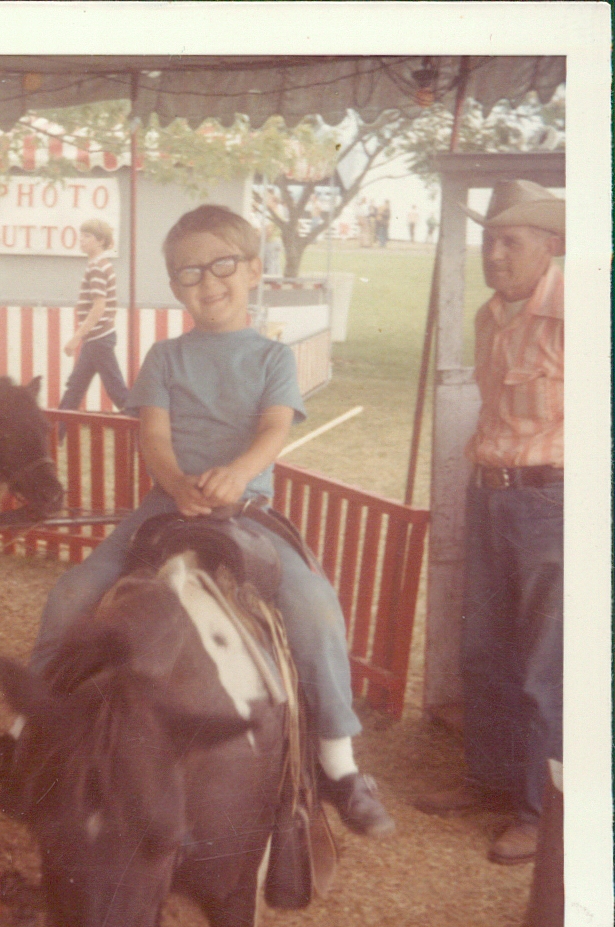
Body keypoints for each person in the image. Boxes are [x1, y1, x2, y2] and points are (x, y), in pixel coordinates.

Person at [29, 204, 395, 838]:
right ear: (176, 286)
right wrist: (175, 484)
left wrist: (237, 473)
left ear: (253, 270)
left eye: (222, 265)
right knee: (72, 591)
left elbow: (274, 428)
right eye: (188, 272)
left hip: (246, 509)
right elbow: (154, 436)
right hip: (165, 506)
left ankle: (340, 761)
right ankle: (28, 727)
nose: (207, 282)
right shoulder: (165, 356)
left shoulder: (273, 358)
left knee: (313, 606)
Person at [414, 181, 564, 866]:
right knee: (483, 650)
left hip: (551, 502)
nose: (495, 254)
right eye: (489, 240)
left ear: (549, 245)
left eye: (511, 241)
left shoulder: (581, 311)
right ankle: (487, 780)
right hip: (489, 494)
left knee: (542, 666)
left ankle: (536, 811)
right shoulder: (489, 315)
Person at [58, 219, 130, 424]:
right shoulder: (99, 265)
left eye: (87, 236)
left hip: (98, 338)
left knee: (117, 392)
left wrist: (76, 338)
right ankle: (55, 436)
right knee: (75, 388)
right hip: (96, 339)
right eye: (81, 235)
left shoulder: (97, 267)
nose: (81, 239)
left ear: (101, 241)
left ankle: (143, 430)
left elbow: (99, 307)